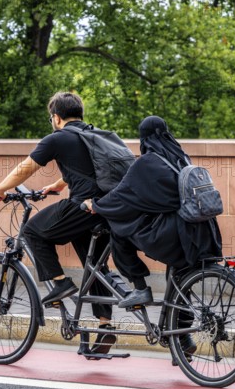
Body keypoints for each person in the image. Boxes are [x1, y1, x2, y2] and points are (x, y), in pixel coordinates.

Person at [0, 92, 117, 353]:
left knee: (32, 231)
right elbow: (90, 170)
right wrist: (57, 185)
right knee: (94, 266)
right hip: (109, 207)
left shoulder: (58, 138)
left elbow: (26, 167)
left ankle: (59, 283)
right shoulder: (93, 135)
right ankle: (105, 326)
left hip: (83, 205)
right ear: (79, 114)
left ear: (56, 118)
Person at [83, 115, 223, 308]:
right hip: (202, 232)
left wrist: (95, 205)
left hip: (176, 234)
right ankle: (180, 335)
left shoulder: (147, 163)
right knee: (178, 280)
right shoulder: (181, 157)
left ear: (144, 138)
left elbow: (121, 196)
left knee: (119, 232)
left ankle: (140, 288)